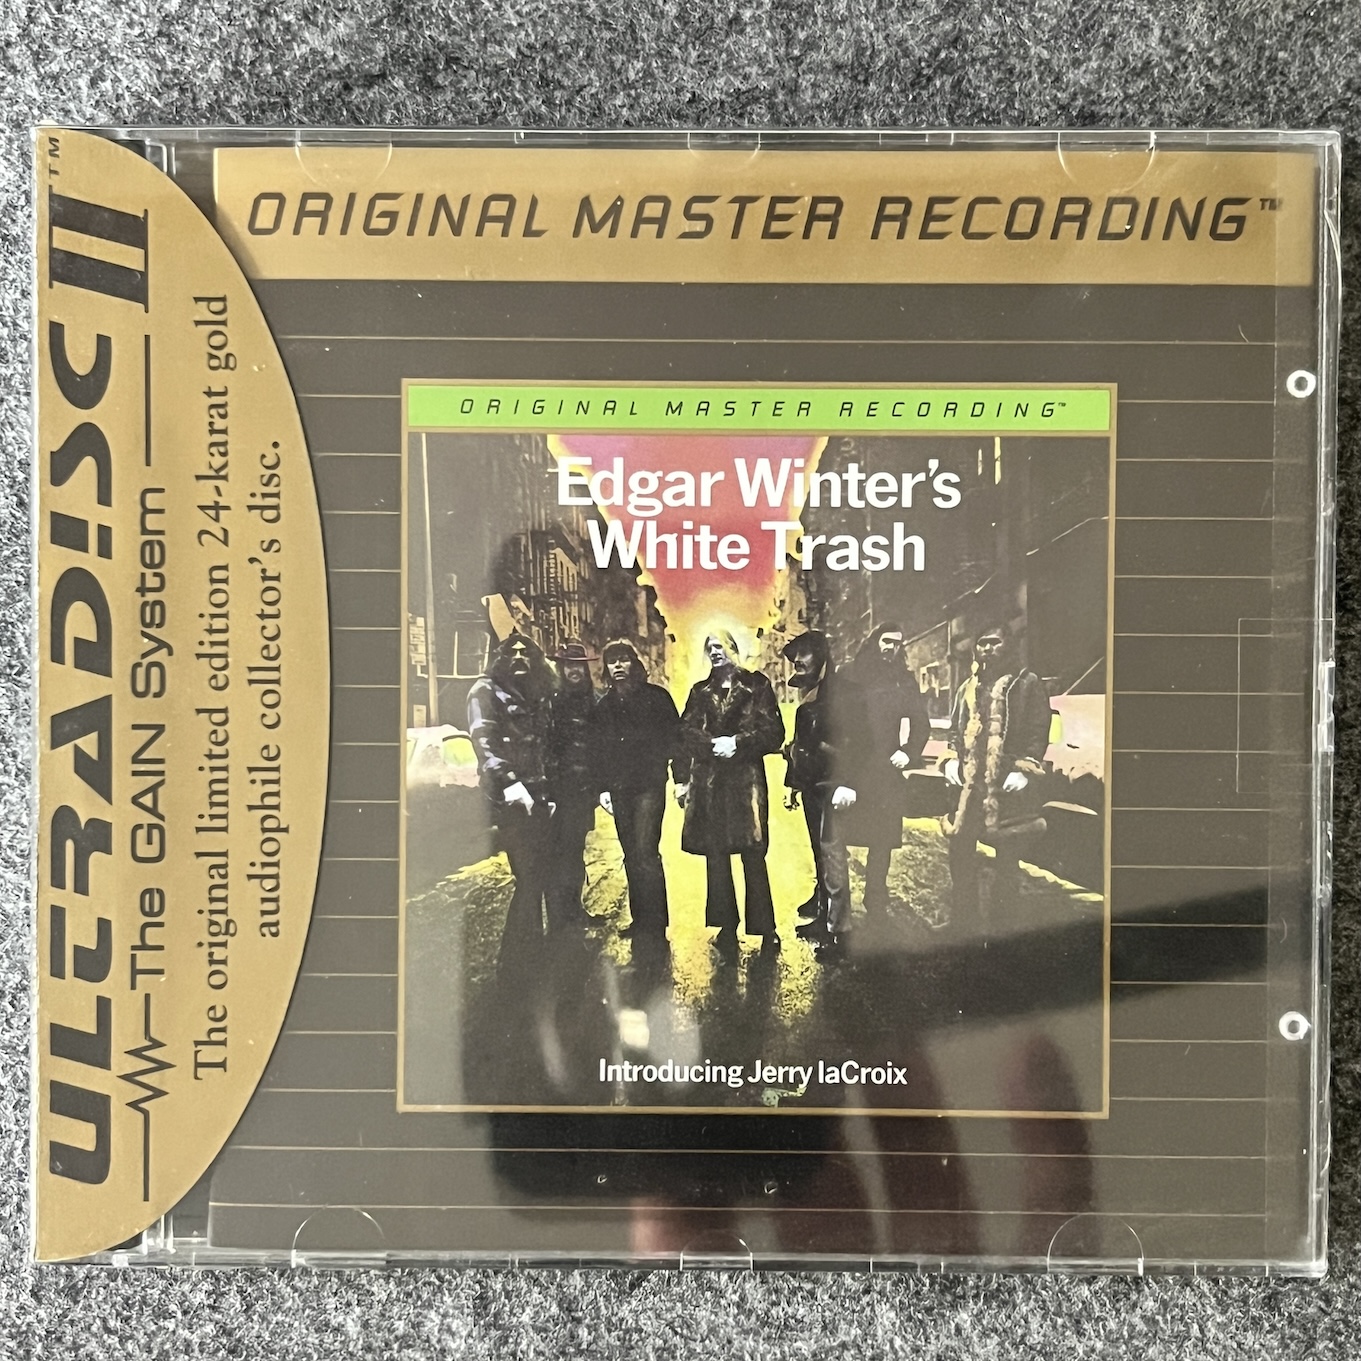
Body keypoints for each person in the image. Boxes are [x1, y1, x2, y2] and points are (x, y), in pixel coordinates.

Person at [676, 631, 785, 952]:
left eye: (720, 646)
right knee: (717, 857)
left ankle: (767, 930)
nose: (714, 652)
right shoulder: (700, 691)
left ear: (733, 649)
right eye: (709, 647)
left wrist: (738, 743)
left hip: (745, 783)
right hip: (710, 784)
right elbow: (684, 732)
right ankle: (726, 927)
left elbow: (773, 732)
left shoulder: (756, 686)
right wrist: (711, 745)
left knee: (753, 855)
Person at [940, 625, 1051, 925]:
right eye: (982, 643)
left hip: (1007, 785)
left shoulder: (1027, 684)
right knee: (961, 854)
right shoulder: (967, 687)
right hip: (969, 788)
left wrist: (1026, 767)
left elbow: (1038, 731)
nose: (988, 649)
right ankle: (962, 923)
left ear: (1008, 645)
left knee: (1008, 861)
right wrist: (950, 761)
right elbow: (955, 730)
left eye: (995, 643)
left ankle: (1003, 929)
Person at [466, 632, 559, 949]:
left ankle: (530, 947)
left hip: (540, 797)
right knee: (529, 875)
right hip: (510, 800)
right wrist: (509, 783)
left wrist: (550, 792)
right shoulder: (484, 691)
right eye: (512, 652)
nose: (519, 657)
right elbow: (485, 744)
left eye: (525, 652)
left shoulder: (537, 693)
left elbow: (545, 745)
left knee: (540, 873)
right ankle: (518, 957)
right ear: (500, 658)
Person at [780, 631, 867, 955]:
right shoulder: (809, 695)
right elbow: (801, 745)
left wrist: (849, 783)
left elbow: (863, 744)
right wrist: (793, 784)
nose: (797, 661)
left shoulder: (847, 693)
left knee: (833, 856)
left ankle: (841, 934)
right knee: (820, 853)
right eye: (794, 656)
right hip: (812, 787)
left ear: (820, 655)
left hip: (834, 786)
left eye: (803, 654)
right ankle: (822, 918)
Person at [591, 640, 683, 943]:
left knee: (645, 853)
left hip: (649, 786)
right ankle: (640, 920)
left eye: (624, 659)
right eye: (612, 661)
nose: (618, 666)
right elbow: (599, 751)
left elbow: (676, 741)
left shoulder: (657, 699)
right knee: (631, 854)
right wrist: (603, 789)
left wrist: (681, 779)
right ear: (606, 668)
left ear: (635, 664)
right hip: (620, 789)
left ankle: (656, 924)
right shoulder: (604, 707)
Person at [842, 623, 931, 918]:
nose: (891, 648)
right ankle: (832, 899)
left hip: (884, 770)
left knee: (881, 840)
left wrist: (908, 752)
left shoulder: (902, 680)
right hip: (852, 767)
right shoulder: (850, 674)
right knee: (835, 836)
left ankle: (876, 899)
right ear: (874, 641)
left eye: (897, 643)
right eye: (887, 641)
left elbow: (921, 722)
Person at [544, 640, 602, 931]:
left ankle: (574, 912)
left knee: (575, 853)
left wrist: (597, 788)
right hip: (556, 792)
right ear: (561, 668)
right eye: (568, 665)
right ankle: (559, 919)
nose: (573, 671)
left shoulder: (596, 701)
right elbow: (545, 746)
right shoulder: (550, 702)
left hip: (582, 793)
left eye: (578, 666)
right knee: (556, 854)